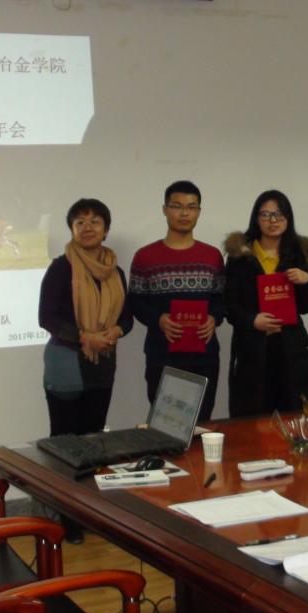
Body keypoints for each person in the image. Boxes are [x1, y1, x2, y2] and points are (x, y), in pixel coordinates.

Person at [39, 198, 132, 542]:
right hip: (66, 363)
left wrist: (115, 331)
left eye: (95, 221)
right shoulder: (61, 268)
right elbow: (47, 317)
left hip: (102, 363)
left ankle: (91, 512)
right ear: (72, 230)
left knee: (94, 442)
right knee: (66, 443)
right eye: (80, 222)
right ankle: (67, 518)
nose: (88, 227)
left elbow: (127, 317)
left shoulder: (115, 271)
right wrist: (85, 337)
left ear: (106, 229)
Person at [129, 180, 225, 421]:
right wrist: (158, 319)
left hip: (204, 355)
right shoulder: (145, 256)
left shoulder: (213, 256)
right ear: (165, 209)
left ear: (199, 212)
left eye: (191, 207)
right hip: (162, 355)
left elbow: (222, 299)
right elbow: (135, 302)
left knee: (202, 425)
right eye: (177, 206)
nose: (184, 213)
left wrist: (214, 318)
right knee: (165, 425)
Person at [224, 190, 308, 418]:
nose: (273, 221)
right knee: (252, 417)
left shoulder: (299, 253)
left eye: (279, 214)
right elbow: (229, 306)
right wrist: (252, 320)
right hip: (252, 349)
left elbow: (305, 306)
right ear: (256, 218)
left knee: (294, 416)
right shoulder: (240, 256)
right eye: (265, 215)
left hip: (291, 349)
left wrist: (307, 282)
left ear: (288, 218)